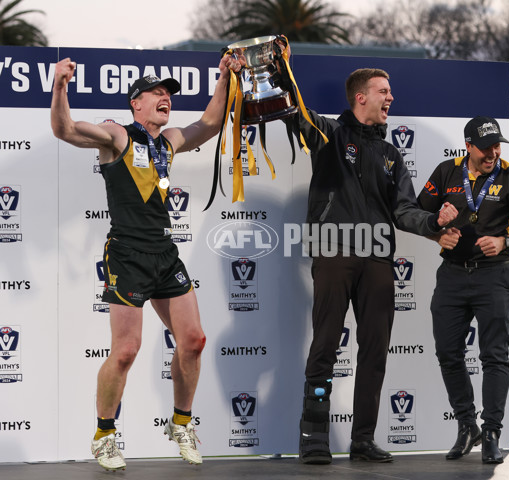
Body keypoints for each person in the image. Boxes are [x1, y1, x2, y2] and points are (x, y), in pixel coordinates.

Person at [51, 54, 242, 471]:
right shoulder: (117, 136)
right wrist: (60, 86)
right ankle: (104, 434)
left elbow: (209, 124)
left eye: (168, 94)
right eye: (156, 93)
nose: (164, 98)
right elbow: (64, 129)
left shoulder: (167, 140)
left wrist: (225, 76)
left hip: (164, 251)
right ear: (135, 103)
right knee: (126, 350)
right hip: (127, 253)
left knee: (193, 341)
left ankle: (181, 423)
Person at [289, 67, 458, 465]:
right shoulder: (330, 134)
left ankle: (363, 439)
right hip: (333, 252)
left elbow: (404, 210)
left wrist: (434, 224)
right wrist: (281, 66)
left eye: (390, 92)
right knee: (326, 346)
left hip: (379, 258)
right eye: (384, 91)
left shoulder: (390, 154)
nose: (391, 98)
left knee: (375, 352)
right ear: (360, 97)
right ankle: (314, 437)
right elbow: (295, 112)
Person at [417, 116, 509, 464]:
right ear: (468, 146)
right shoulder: (446, 171)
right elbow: (417, 215)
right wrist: (436, 232)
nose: (493, 153)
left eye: (496, 146)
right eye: (486, 147)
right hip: (453, 274)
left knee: (493, 355)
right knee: (447, 353)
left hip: (495, 275)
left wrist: (505, 240)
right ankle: (466, 425)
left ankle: (491, 433)